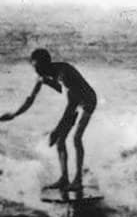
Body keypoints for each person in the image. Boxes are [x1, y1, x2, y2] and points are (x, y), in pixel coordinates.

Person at [0, 48, 98, 190]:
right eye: (35, 68)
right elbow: (30, 100)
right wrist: (15, 114)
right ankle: (64, 179)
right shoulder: (42, 77)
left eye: (40, 68)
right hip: (74, 102)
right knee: (60, 141)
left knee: (77, 138)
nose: (37, 72)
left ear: (48, 64)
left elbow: (72, 104)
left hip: (88, 100)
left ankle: (78, 181)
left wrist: (57, 129)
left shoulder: (64, 73)